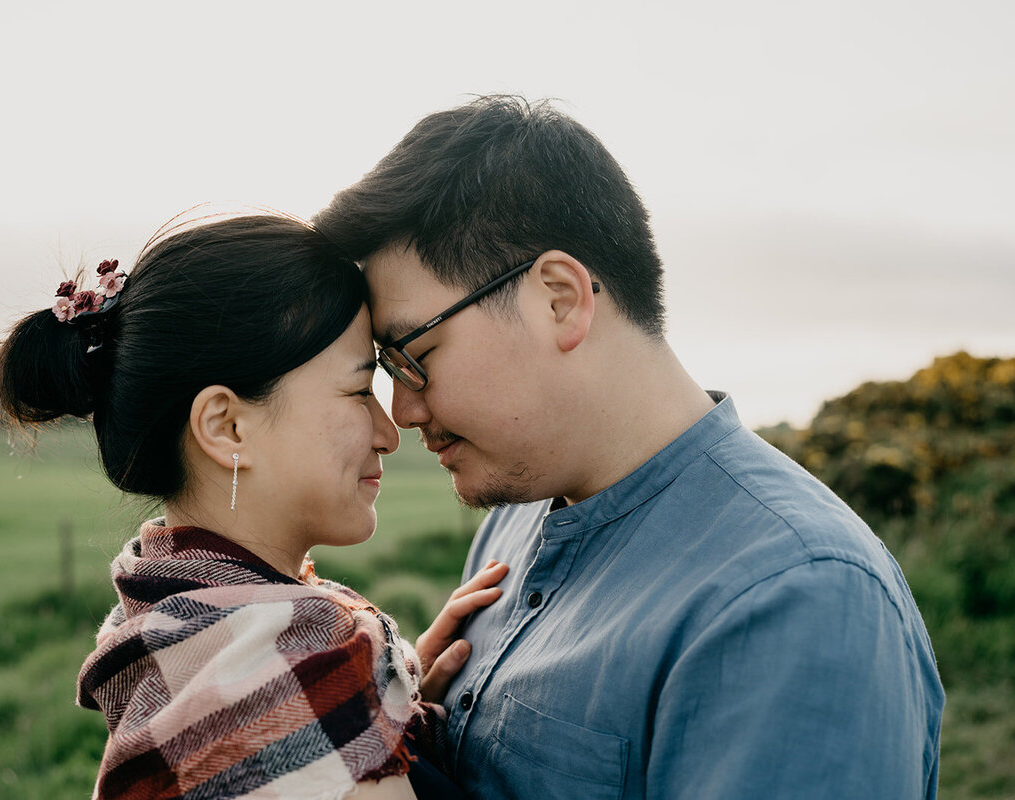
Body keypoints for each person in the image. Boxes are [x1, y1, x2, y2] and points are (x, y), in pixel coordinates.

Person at [313, 96, 946, 798]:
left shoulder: (796, 600)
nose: (400, 411)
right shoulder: (515, 515)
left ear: (559, 298)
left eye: (415, 353)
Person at [0, 213, 509, 799]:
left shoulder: (190, 637)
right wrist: (341, 695)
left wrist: (387, 696)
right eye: (358, 391)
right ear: (227, 427)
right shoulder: (277, 674)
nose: (389, 431)